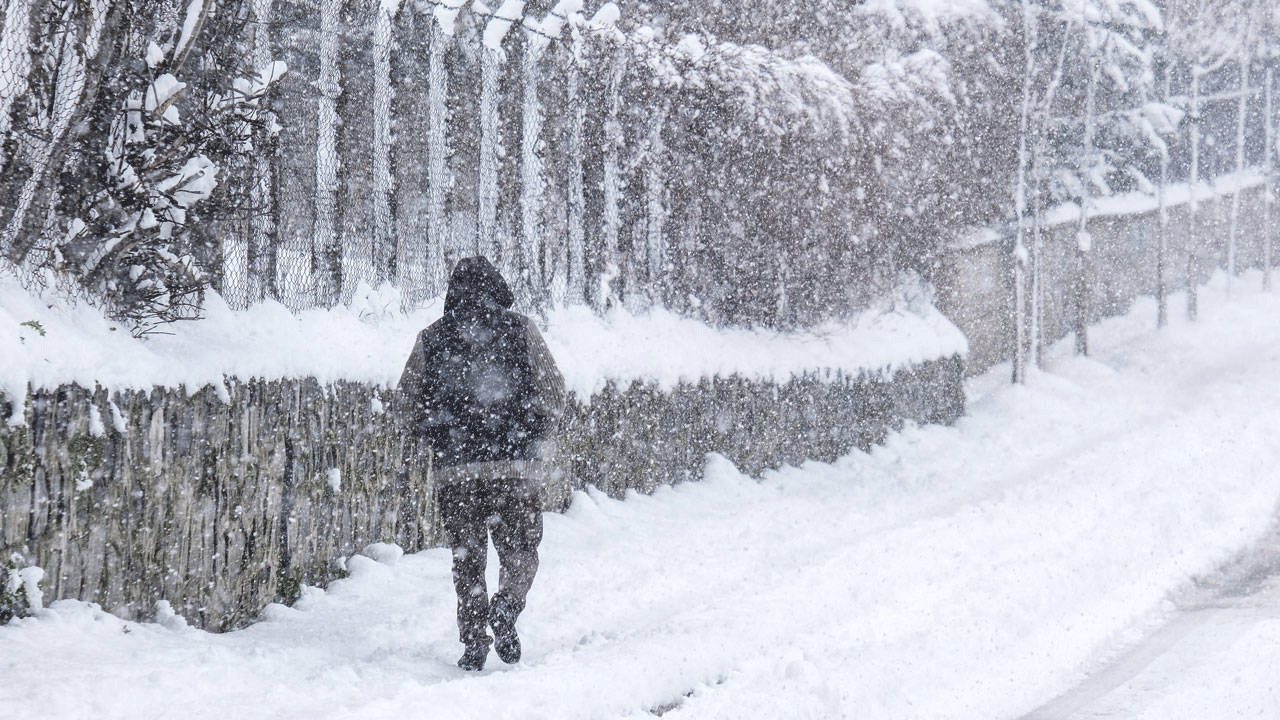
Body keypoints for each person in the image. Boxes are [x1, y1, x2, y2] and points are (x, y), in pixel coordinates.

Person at [396, 256, 565, 672]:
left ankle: (474, 640)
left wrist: (437, 431)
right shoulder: (521, 330)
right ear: (497, 287)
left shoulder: (432, 338)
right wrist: (533, 430)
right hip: (515, 468)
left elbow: (405, 404)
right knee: (521, 549)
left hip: (457, 471)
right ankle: (506, 605)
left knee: (467, 558)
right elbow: (554, 392)